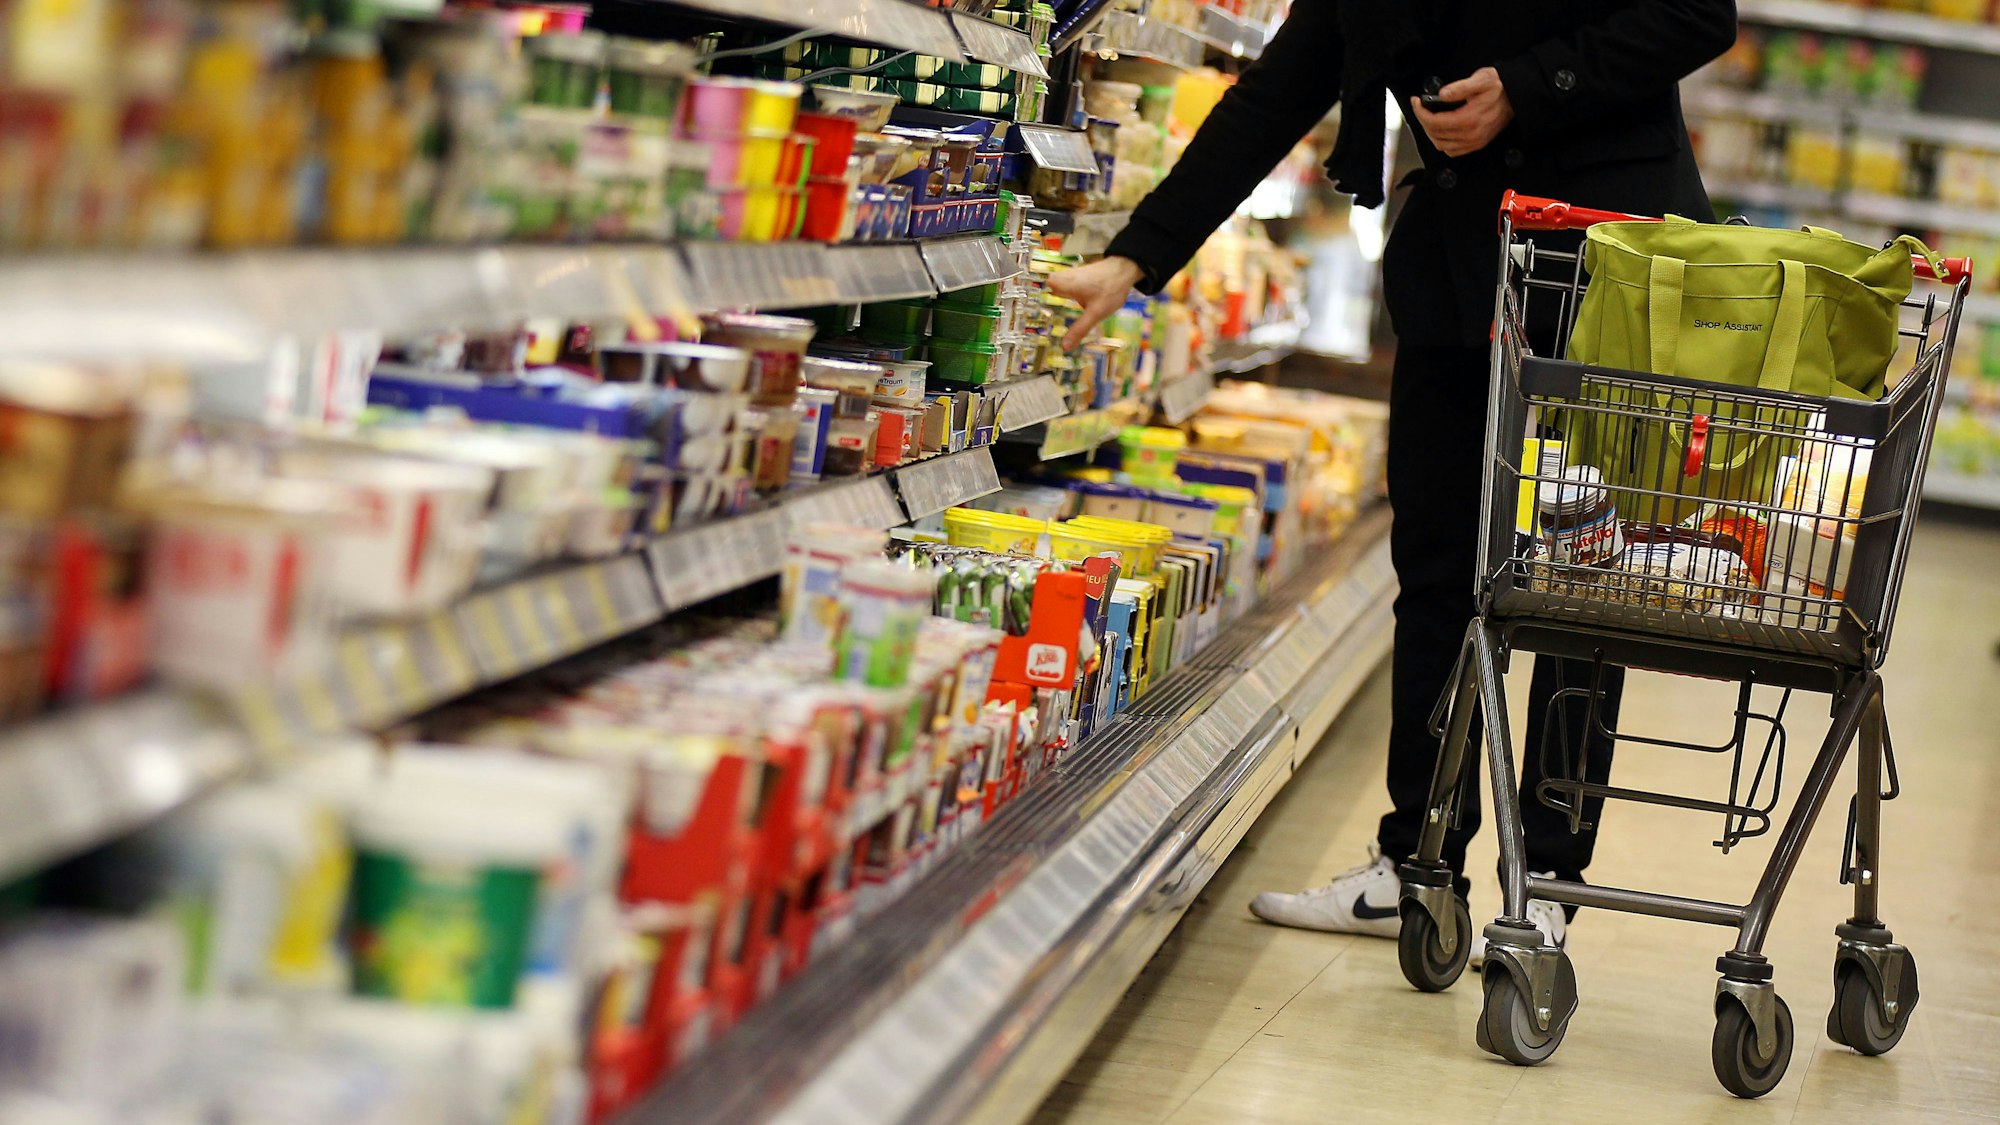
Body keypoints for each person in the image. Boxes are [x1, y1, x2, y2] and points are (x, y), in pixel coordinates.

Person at [1050, 1, 1738, 960]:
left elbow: (1698, 14)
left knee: (1581, 581)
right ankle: (1416, 862)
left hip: (1606, 270)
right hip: (1459, 266)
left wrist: (1524, 89)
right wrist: (1137, 254)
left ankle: (1547, 883)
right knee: (1437, 564)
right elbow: (1283, 86)